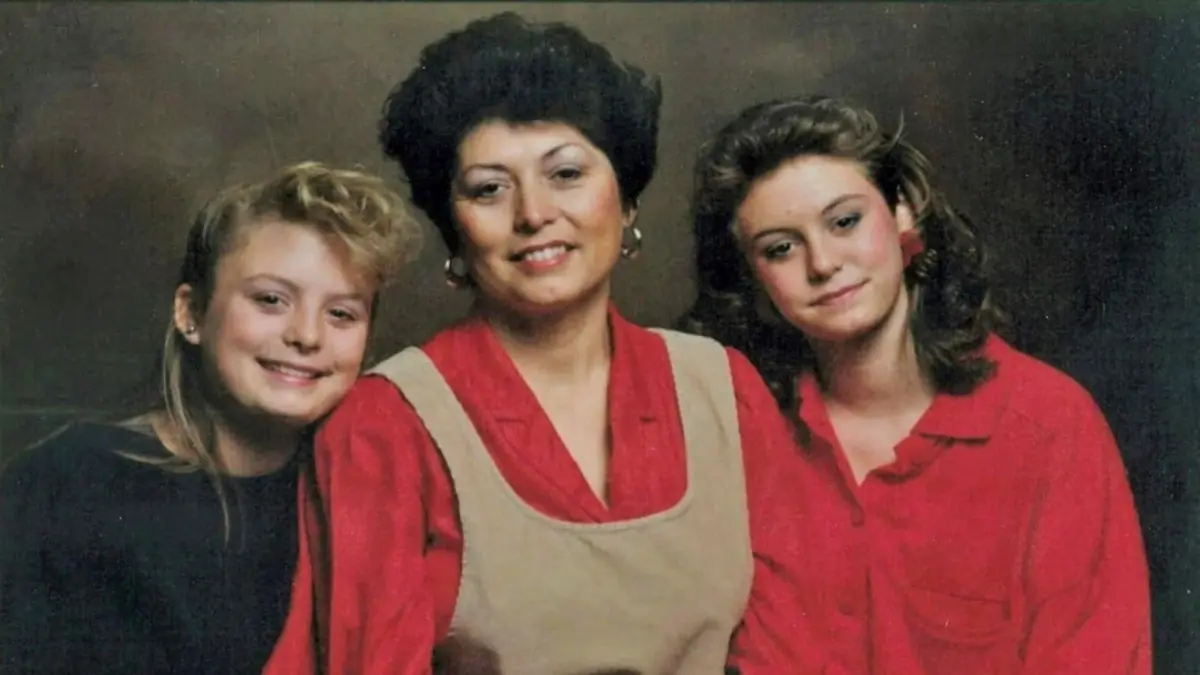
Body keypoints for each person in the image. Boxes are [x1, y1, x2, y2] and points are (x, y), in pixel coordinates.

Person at [265, 12, 810, 675]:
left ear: (626, 202)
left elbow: (793, 646)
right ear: (454, 231)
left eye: (566, 173)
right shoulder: (386, 425)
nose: (533, 213)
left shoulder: (723, 388)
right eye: (489, 189)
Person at [679, 95, 1152, 674]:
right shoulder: (734, 431)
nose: (822, 263)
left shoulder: (1049, 425)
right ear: (753, 279)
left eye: (845, 221)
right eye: (781, 248)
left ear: (903, 212)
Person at [0, 161, 421, 674]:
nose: (307, 336)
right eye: (271, 300)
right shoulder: (69, 482)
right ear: (192, 313)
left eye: (341, 313)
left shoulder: (369, 495)